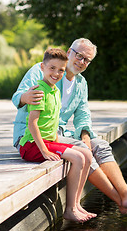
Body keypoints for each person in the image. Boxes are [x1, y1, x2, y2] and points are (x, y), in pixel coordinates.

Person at [12, 38, 127, 214]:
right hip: (32, 135)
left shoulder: (81, 83)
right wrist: (25, 97)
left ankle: (126, 192)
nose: (81, 62)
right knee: (81, 148)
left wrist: (86, 134)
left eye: (87, 60)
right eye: (79, 56)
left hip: (58, 133)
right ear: (69, 52)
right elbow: (17, 95)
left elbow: (83, 113)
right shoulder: (47, 69)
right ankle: (120, 200)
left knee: (99, 144)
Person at [18, 48, 96, 223]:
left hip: (47, 142)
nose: (56, 73)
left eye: (61, 70)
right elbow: (32, 124)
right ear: (42, 67)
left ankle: (76, 204)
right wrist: (45, 150)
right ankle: (69, 210)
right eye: (52, 68)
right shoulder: (39, 91)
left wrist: (57, 143)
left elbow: (53, 123)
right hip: (31, 145)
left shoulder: (55, 91)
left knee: (87, 154)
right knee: (78, 158)